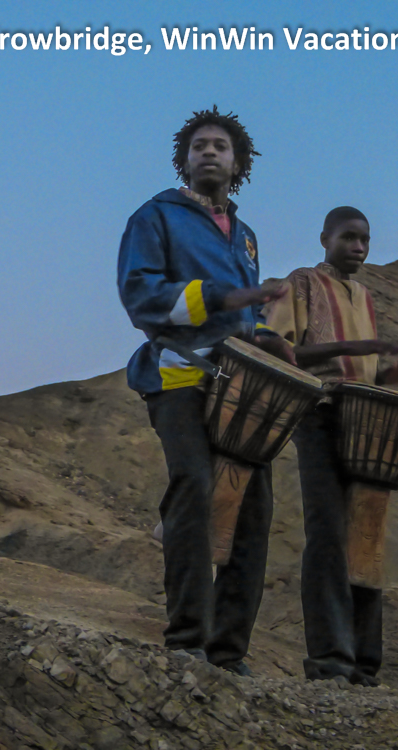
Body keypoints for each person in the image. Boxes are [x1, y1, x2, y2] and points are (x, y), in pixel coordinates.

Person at [117, 106, 292, 675]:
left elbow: (247, 316)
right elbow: (141, 297)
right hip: (178, 376)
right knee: (193, 485)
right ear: (185, 160)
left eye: (220, 146)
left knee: (254, 507)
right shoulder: (155, 217)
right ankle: (187, 638)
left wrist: (269, 338)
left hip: (238, 386)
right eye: (199, 146)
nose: (209, 152)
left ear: (238, 163)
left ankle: (228, 651)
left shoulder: (246, 238)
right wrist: (213, 297)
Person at [265, 206, 398, 686]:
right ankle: (330, 659)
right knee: (328, 534)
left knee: (365, 535)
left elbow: (366, 372)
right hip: (319, 414)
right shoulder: (301, 283)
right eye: (348, 237)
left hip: (363, 420)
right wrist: (352, 350)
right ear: (325, 239)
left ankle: (364, 664)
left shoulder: (364, 297)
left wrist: (394, 373)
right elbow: (277, 347)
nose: (358, 247)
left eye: (365, 240)